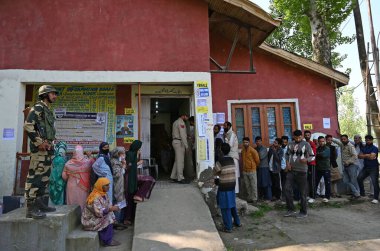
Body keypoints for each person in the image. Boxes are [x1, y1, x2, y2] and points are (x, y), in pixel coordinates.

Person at [24, 85, 59, 219]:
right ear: (45, 95)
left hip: (47, 149)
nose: (55, 96)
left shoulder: (47, 110)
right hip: (39, 150)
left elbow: (46, 129)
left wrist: (51, 140)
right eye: (53, 94)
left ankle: (40, 203)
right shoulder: (38, 107)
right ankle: (30, 208)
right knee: (35, 177)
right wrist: (40, 142)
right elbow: (28, 125)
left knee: (44, 177)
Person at [284, 130, 314, 218]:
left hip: (302, 171)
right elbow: (286, 154)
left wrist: (306, 160)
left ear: (302, 136)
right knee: (287, 189)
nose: (298, 139)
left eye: (299, 137)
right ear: (293, 136)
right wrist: (287, 163)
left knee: (303, 192)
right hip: (291, 171)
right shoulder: (290, 144)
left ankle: (303, 212)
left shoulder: (306, 144)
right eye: (296, 137)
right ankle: (291, 209)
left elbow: (313, 156)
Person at [81, 177, 121, 247]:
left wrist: (113, 208)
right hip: (90, 220)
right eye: (106, 185)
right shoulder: (95, 197)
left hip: (97, 217)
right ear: (101, 186)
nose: (108, 187)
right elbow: (98, 213)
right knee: (108, 218)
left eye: (108, 185)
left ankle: (108, 236)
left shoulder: (104, 194)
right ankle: (107, 241)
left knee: (110, 214)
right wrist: (111, 209)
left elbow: (108, 206)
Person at [213, 143, 241, 233]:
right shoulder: (231, 160)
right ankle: (237, 222)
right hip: (232, 185)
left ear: (221, 150)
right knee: (232, 205)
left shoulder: (220, 161)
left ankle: (228, 227)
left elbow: (215, 172)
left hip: (224, 186)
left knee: (225, 208)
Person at [62, 145, 95, 211]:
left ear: (74, 153)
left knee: (72, 202)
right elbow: (94, 165)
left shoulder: (68, 164)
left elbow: (64, 177)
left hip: (71, 185)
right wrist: (89, 156)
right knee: (82, 202)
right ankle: (82, 218)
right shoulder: (88, 163)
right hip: (84, 187)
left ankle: (72, 217)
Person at [124, 140, 143, 225]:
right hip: (129, 179)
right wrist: (138, 163)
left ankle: (130, 217)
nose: (139, 150)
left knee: (131, 198)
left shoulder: (133, 154)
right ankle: (127, 218)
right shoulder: (130, 154)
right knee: (129, 198)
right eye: (139, 148)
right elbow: (129, 166)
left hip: (132, 178)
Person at [358, 135, 379, 204]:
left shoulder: (375, 148)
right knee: (359, 178)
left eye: (369, 140)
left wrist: (364, 155)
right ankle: (362, 193)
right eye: (366, 140)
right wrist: (368, 155)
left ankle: (376, 198)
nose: (368, 141)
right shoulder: (364, 147)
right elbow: (359, 156)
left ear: (372, 140)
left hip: (374, 167)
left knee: (374, 182)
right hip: (366, 167)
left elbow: (372, 157)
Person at [340, 135, 361, 199]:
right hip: (346, 166)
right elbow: (338, 142)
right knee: (345, 181)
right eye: (342, 139)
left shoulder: (350, 146)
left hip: (352, 165)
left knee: (353, 181)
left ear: (347, 139)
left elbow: (355, 156)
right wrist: (332, 139)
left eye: (344, 139)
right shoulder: (343, 145)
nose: (343, 140)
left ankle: (357, 193)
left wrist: (348, 162)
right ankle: (357, 193)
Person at [170, 113, 189, 183]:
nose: (187, 119)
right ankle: (180, 178)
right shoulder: (181, 122)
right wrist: (186, 146)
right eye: (187, 117)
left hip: (176, 141)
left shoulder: (175, 122)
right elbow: (183, 135)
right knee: (180, 161)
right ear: (183, 116)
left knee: (177, 160)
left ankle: (173, 176)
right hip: (179, 143)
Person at [241, 137, 260, 204]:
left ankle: (254, 199)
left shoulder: (253, 150)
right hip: (245, 170)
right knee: (247, 185)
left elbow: (257, 160)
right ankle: (249, 198)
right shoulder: (242, 151)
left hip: (252, 170)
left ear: (249, 143)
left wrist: (253, 167)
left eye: (246, 142)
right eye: (244, 142)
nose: (245, 143)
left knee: (253, 185)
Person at [223, 121, 240, 193]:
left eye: (225, 126)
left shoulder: (232, 134)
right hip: (229, 157)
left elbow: (229, 145)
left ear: (229, 126)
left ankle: (236, 192)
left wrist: (225, 138)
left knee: (235, 175)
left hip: (233, 157)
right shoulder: (227, 134)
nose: (224, 127)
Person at [255, 136, 272, 201]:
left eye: (259, 141)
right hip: (258, 167)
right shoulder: (255, 149)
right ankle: (262, 197)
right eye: (257, 141)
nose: (258, 142)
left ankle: (269, 197)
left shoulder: (264, 148)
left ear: (261, 141)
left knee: (266, 183)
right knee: (260, 183)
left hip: (264, 167)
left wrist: (255, 154)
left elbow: (261, 157)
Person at [315, 136, 331, 202]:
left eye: (322, 141)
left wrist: (318, 154)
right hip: (318, 168)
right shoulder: (318, 148)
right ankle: (313, 195)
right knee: (315, 182)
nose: (321, 143)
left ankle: (327, 197)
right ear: (318, 142)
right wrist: (318, 154)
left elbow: (324, 155)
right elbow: (315, 155)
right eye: (320, 141)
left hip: (326, 168)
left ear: (324, 141)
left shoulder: (327, 148)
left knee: (327, 183)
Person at [304, 130, 317, 203]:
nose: (307, 136)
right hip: (305, 165)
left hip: (311, 164)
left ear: (310, 135)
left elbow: (313, 155)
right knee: (307, 181)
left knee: (312, 180)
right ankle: (308, 195)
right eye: (305, 135)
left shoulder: (312, 144)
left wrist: (306, 160)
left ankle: (313, 196)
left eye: (308, 135)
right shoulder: (304, 143)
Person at [280, 136, 289, 200]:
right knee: (282, 183)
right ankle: (283, 196)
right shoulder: (279, 149)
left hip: (286, 168)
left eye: (285, 142)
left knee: (287, 183)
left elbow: (290, 159)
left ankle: (288, 196)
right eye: (283, 142)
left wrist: (287, 167)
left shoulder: (288, 149)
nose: (284, 143)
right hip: (280, 168)